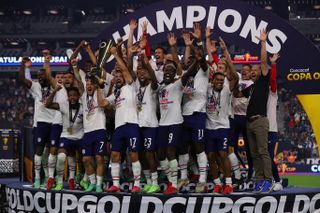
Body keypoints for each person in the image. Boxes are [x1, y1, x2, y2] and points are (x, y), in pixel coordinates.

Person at [156, 35, 198, 194]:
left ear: (175, 73)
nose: (167, 72)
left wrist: (196, 59)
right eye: (166, 69)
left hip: (176, 123)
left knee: (170, 152)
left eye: (171, 70)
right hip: (162, 124)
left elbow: (188, 72)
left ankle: (173, 185)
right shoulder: (160, 86)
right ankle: (172, 179)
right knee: (160, 154)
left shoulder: (178, 83)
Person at [98, 45, 142, 193]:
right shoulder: (115, 93)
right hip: (119, 127)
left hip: (132, 124)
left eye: (119, 75)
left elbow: (125, 70)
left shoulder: (131, 85)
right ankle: (116, 185)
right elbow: (103, 103)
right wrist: (99, 87)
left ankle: (137, 184)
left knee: (133, 154)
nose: (117, 77)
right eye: (115, 76)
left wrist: (115, 55)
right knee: (115, 154)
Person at [233, 29, 273, 193]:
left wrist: (263, 42)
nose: (254, 71)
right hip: (249, 123)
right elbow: (236, 93)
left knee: (263, 152)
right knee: (255, 154)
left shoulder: (263, 82)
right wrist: (232, 76)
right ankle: (259, 181)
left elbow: (264, 62)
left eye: (256, 69)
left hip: (260, 121)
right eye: (253, 69)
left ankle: (268, 181)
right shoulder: (251, 87)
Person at [205, 37, 239, 195]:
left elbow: (235, 76)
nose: (219, 82)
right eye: (217, 80)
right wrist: (207, 43)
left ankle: (229, 183)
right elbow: (208, 65)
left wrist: (225, 51)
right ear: (212, 80)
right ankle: (217, 183)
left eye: (222, 79)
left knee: (223, 154)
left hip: (223, 127)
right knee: (211, 156)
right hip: (209, 127)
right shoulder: (207, 89)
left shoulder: (227, 89)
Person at [178, 23, 209, 193]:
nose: (191, 61)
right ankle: (183, 177)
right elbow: (184, 62)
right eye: (189, 60)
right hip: (185, 114)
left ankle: (202, 180)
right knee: (183, 147)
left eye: (193, 59)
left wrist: (198, 41)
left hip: (198, 113)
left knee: (198, 146)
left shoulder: (204, 70)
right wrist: (187, 47)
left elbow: (201, 59)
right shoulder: (185, 75)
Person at [19, 57, 55, 189]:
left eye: (42, 75)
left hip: (54, 124)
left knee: (51, 155)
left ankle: (49, 179)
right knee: (39, 153)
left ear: (47, 76)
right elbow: (22, 79)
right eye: (38, 76)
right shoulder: (35, 86)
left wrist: (47, 62)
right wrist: (23, 65)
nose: (40, 78)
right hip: (39, 123)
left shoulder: (54, 86)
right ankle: (38, 180)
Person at [45, 85, 84, 191]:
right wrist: (54, 92)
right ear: (68, 97)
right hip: (66, 136)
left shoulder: (83, 107)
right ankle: (60, 182)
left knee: (85, 158)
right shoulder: (63, 105)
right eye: (70, 96)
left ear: (78, 96)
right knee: (61, 157)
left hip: (80, 137)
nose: (72, 98)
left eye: (74, 96)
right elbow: (47, 104)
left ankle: (72, 179)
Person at [229, 63, 254, 186]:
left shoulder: (251, 84)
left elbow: (238, 94)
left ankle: (250, 173)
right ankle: (235, 172)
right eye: (242, 70)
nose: (243, 72)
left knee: (249, 149)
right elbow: (230, 67)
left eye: (246, 70)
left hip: (246, 118)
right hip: (234, 117)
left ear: (250, 73)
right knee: (230, 147)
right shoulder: (237, 77)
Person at [267, 53, 283, 191]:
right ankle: (268, 180)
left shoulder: (272, 92)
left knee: (268, 156)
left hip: (270, 129)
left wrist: (273, 64)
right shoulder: (256, 90)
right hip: (259, 128)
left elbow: (272, 81)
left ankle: (277, 181)